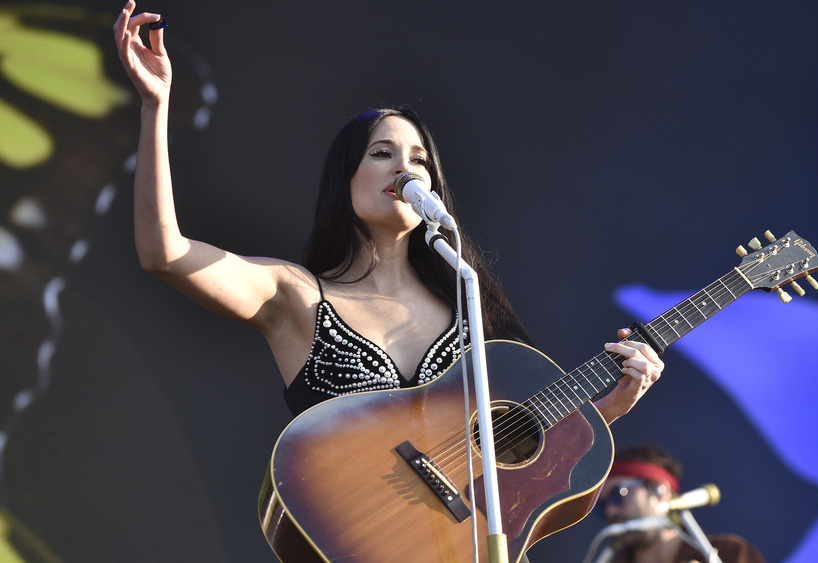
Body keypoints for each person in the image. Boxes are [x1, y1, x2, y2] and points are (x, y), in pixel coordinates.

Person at [113, 0, 665, 558]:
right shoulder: (295, 294)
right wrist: (155, 107)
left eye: (420, 159)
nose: (406, 168)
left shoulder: (468, 303)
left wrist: (609, 409)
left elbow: (517, 466)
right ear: (346, 180)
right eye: (383, 153)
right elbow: (164, 252)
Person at [596, 445, 766, 563]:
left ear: (659, 491)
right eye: (602, 505)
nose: (610, 511)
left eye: (618, 494)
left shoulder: (730, 552)